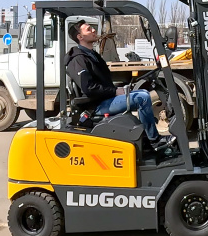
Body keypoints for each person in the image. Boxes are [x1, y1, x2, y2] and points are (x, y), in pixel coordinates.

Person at [65, 20, 176, 150]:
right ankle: (155, 141)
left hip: (104, 99)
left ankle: (145, 137)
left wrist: (117, 89)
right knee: (143, 98)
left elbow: (102, 82)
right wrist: (114, 91)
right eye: (88, 29)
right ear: (80, 37)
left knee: (144, 93)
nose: (94, 30)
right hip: (95, 105)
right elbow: (89, 88)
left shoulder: (92, 55)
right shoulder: (78, 59)